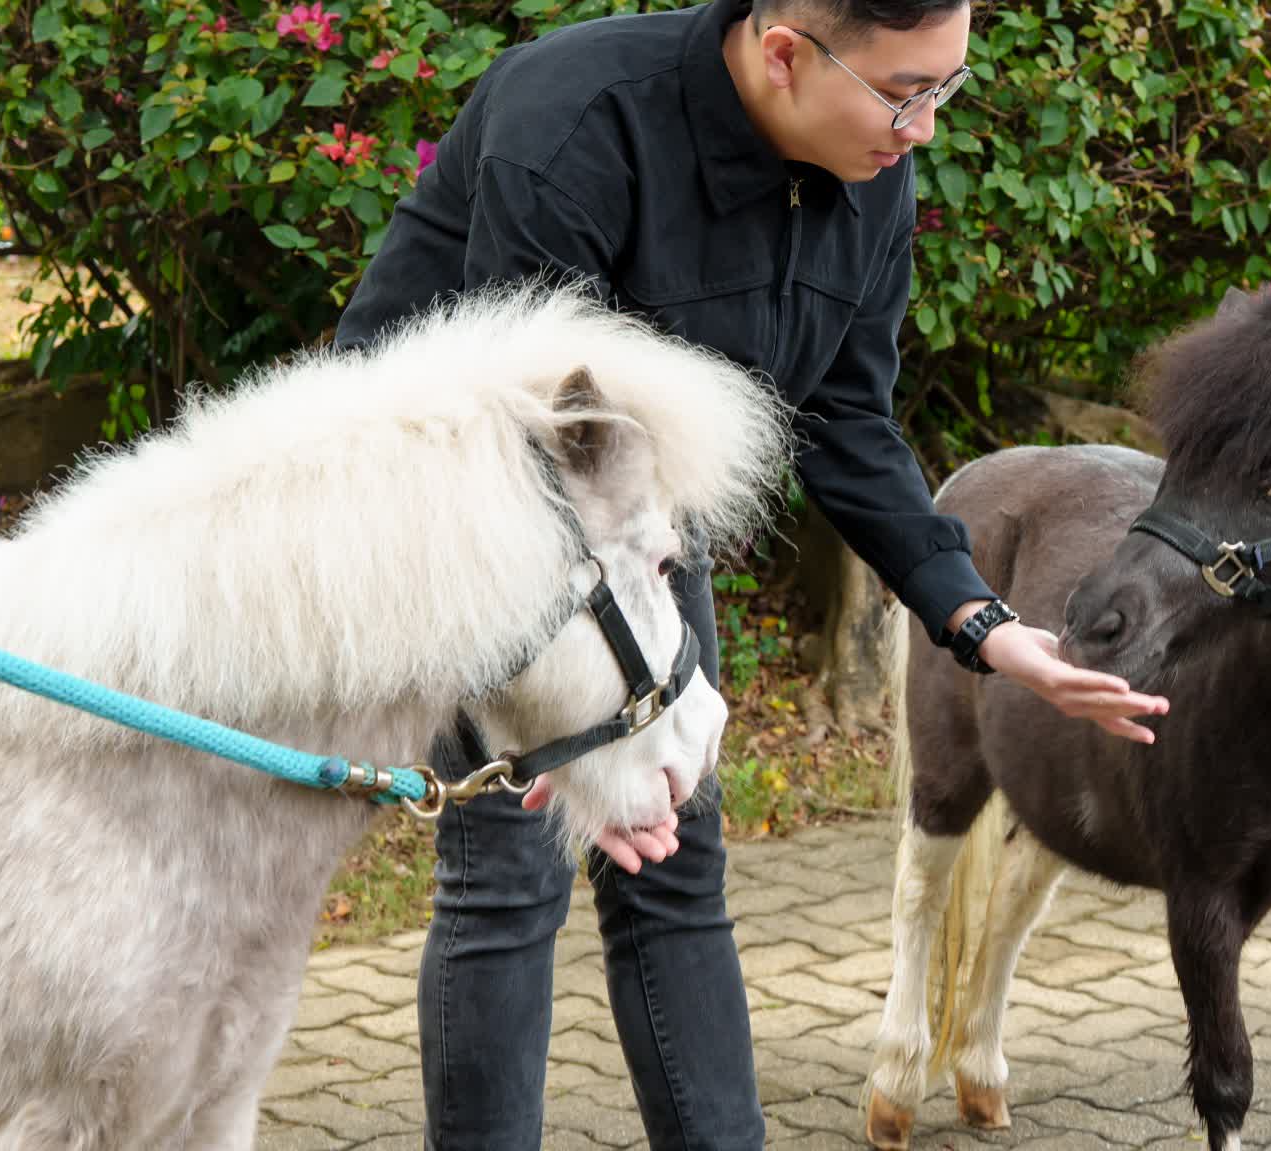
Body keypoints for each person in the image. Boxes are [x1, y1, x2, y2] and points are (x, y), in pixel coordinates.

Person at [330, 0, 1173, 1145]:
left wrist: (983, 623)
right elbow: (518, 444)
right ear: (784, 53)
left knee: (676, 864)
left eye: (944, 89)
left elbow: (842, 418)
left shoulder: (868, 166)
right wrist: (550, 732)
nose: (922, 128)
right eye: (903, 92)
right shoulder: (577, 119)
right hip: (474, 519)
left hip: (640, 535)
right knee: (509, 869)